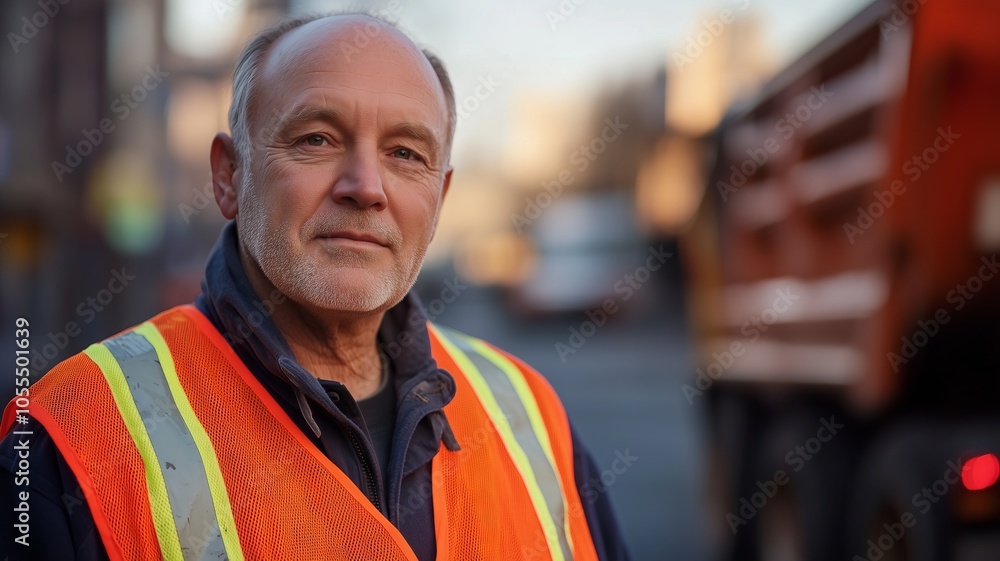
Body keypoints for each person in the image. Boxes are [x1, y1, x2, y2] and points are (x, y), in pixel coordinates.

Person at [1, 12, 629, 561]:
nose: (366, 185)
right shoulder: (69, 434)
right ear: (229, 177)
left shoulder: (532, 415)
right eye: (316, 139)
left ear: (439, 199)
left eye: (406, 153)